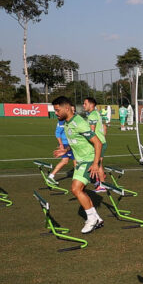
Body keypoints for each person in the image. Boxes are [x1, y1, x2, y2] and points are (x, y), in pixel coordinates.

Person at [51, 96, 104, 233]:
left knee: (76, 189)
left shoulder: (79, 123)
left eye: (57, 110)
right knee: (80, 190)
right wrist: (66, 150)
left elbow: (97, 143)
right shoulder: (67, 123)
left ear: (66, 108)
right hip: (80, 161)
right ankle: (96, 218)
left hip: (88, 160)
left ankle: (91, 220)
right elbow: (77, 142)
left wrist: (95, 164)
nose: (55, 113)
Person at [83, 97, 107, 192]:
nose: (83, 105)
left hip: (98, 143)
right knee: (98, 163)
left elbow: (91, 131)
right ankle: (99, 181)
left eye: (85, 103)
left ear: (91, 105)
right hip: (100, 141)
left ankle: (102, 185)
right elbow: (104, 127)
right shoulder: (96, 113)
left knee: (98, 164)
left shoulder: (92, 115)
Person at [48, 111, 76, 185]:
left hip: (68, 143)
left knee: (65, 161)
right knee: (75, 161)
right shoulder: (62, 121)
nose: (73, 111)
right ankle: (78, 180)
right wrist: (61, 144)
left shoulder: (72, 119)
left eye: (73, 110)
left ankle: (51, 176)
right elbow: (57, 133)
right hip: (67, 144)